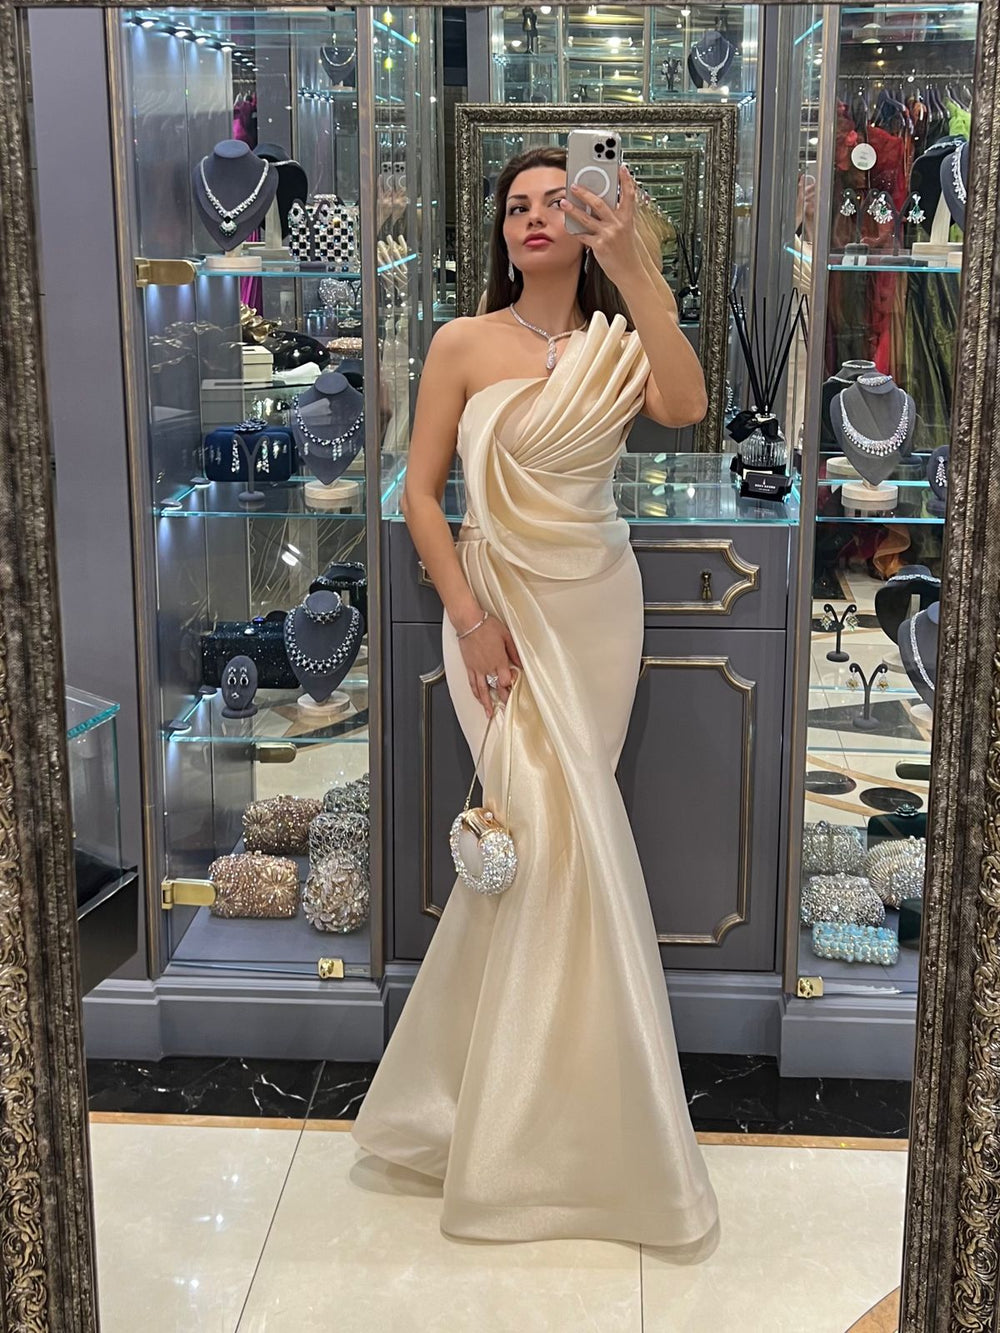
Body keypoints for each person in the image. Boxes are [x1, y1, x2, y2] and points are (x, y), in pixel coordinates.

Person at [351, 146, 721, 1255]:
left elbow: (686, 404)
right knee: (543, 840)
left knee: (570, 841)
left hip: (596, 605)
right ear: (501, 234)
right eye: (517, 206)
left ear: (591, 217)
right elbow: (419, 496)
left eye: (558, 200)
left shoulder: (619, 341)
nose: (535, 218)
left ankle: (543, 1116)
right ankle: (515, 1121)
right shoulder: (462, 343)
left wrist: (637, 267)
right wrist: (469, 618)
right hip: (496, 612)